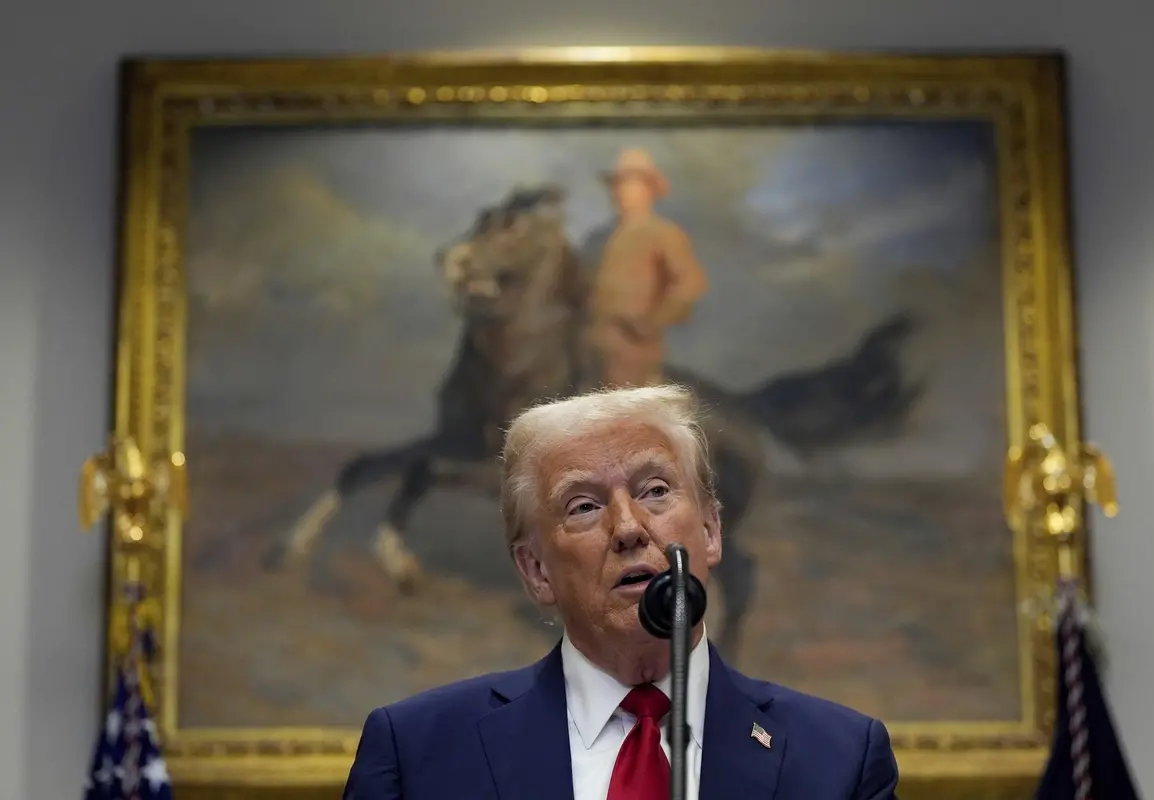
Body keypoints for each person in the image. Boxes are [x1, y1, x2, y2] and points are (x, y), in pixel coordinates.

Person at [343, 385, 900, 800]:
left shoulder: (839, 760)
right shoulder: (417, 756)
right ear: (535, 568)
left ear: (710, 530)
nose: (630, 527)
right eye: (583, 506)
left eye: (655, 491)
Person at [586, 149, 709, 388]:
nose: (621, 192)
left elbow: (691, 283)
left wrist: (650, 323)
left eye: (630, 185)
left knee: (626, 411)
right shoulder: (601, 237)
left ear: (648, 191)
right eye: (618, 185)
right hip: (594, 346)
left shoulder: (664, 233)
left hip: (634, 348)